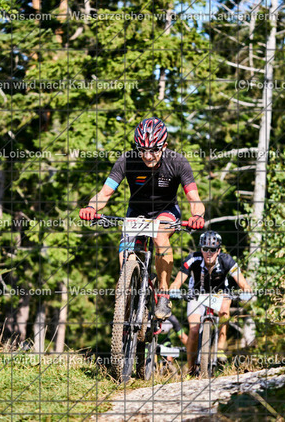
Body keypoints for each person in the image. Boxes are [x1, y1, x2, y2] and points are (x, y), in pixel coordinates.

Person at [79, 117, 205, 319]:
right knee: (124, 260)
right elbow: (104, 193)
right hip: (136, 213)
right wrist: (90, 207)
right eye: (142, 150)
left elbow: (194, 198)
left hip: (166, 212)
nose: (147, 156)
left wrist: (197, 215)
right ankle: (128, 309)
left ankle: (163, 294)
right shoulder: (127, 160)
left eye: (154, 150)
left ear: (164, 146)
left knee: (160, 236)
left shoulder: (177, 162)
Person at [167, 230, 253, 373]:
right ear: (201, 249)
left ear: (218, 250)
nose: (209, 253)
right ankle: (191, 368)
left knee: (225, 307)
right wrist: (174, 290)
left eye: (212, 250)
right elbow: (176, 282)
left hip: (219, 295)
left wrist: (247, 292)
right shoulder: (193, 258)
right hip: (197, 295)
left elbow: (243, 283)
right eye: (205, 249)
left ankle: (220, 347)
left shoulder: (226, 260)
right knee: (194, 330)